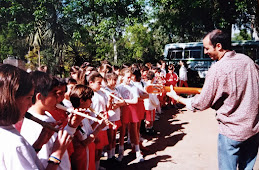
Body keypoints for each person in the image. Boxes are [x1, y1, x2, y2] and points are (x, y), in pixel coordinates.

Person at [166, 29, 259, 170]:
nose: (205, 52)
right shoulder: (248, 61)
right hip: (253, 130)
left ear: (219, 46)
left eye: (207, 48)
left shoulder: (218, 69)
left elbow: (201, 103)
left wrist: (177, 98)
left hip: (231, 132)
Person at [0, 64, 72, 170]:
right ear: (11, 99)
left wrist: (38, 145)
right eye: (28, 97)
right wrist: (56, 155)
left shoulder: (7, 131)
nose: (31, 103)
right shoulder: (15, 144)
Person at [21, 71, 84, 170]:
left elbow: (59, 141)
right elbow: (42, 163)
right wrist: (56, 156)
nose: (59, 99)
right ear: (40, 96)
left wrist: (72, 126)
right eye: (55, 94)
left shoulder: (47, 115)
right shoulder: (33, 126)